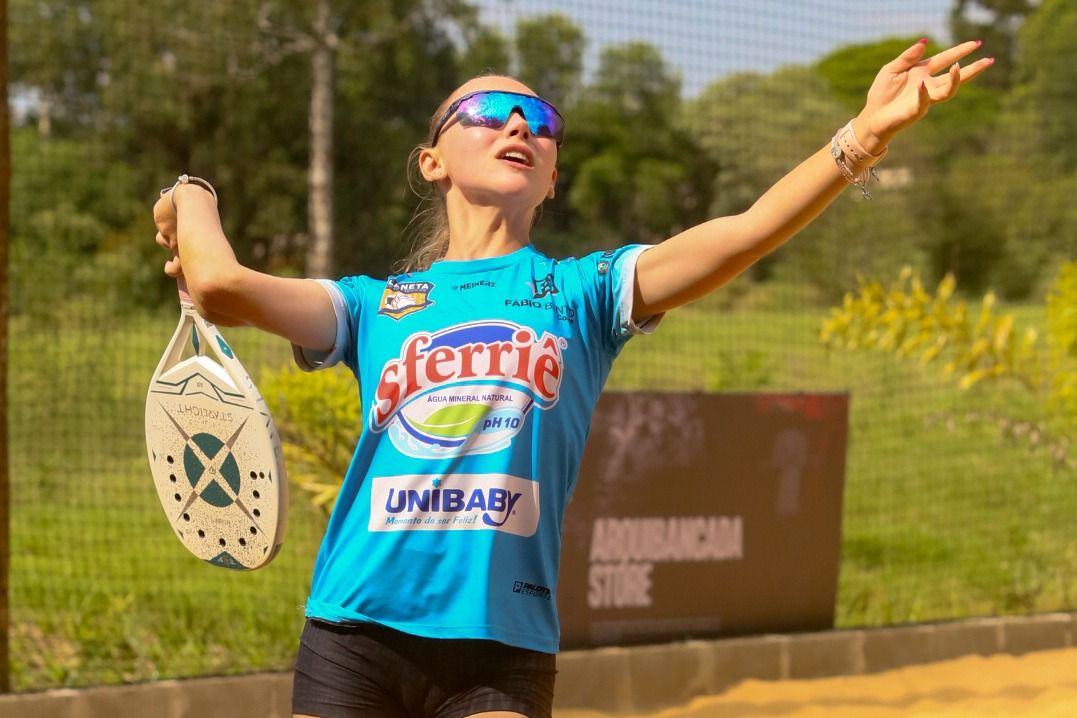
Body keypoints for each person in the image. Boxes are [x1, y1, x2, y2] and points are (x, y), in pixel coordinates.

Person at [153, 37, 991, 718]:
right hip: (353, 631)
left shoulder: (583, 292)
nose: (520, 123)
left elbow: (746, 232)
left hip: (501, 648)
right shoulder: (373, 306)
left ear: (551, 179)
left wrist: (862, 137)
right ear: (432, 161)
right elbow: (221, 287)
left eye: (543, 121)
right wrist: (191, 196)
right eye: (488, 111)